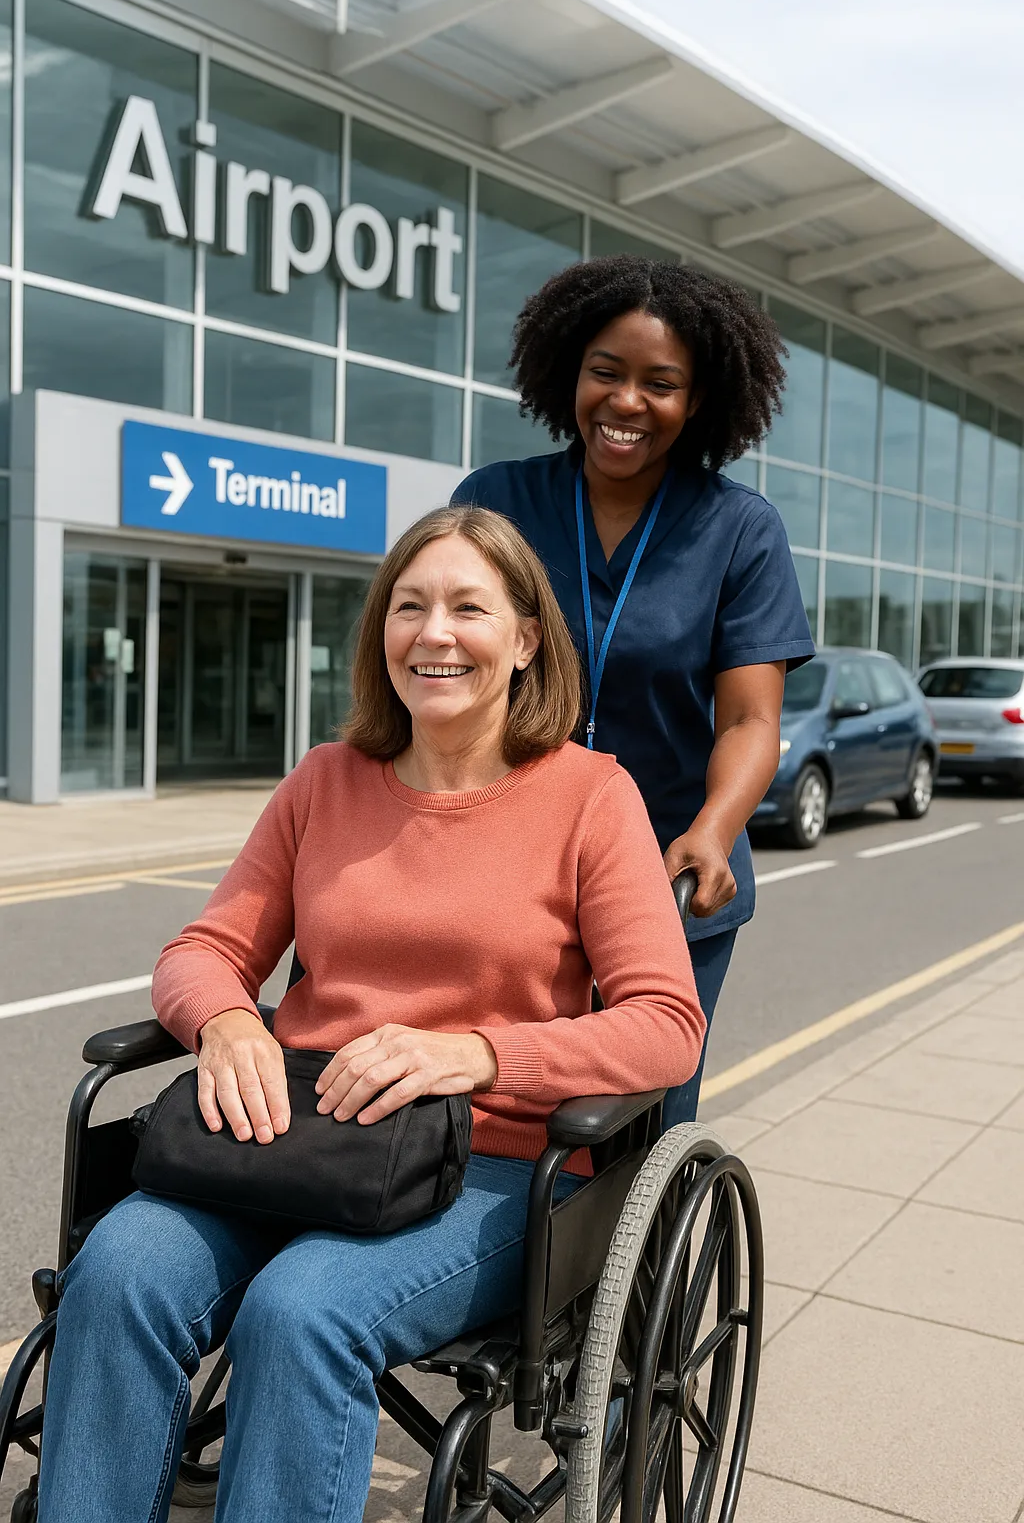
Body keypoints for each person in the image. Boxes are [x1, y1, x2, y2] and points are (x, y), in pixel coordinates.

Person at [37, 506, 704, 1523]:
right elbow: (204, 952)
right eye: (409, 607)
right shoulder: (325, 781)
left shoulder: (590, 798)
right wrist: (228, 1023)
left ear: (526, 639)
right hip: (290, 1137)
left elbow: (665, 1024)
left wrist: (476, 1054)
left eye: (468, 609)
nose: (434, 635)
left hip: (486, 1165)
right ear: (380, 632)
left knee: (300, 1313)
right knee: (119, 1274)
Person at [452, 256, 815, 1126]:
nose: (625, 402)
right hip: (511, 877)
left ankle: (627, 1263)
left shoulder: (738, 529)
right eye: (605, 373)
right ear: (568, 373)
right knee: (494, 1113)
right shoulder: (495, 503)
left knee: (629, 1122)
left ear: (699, 402)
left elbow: (753, 718)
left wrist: (713, 832)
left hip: (665, 877)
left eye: (661, 384)